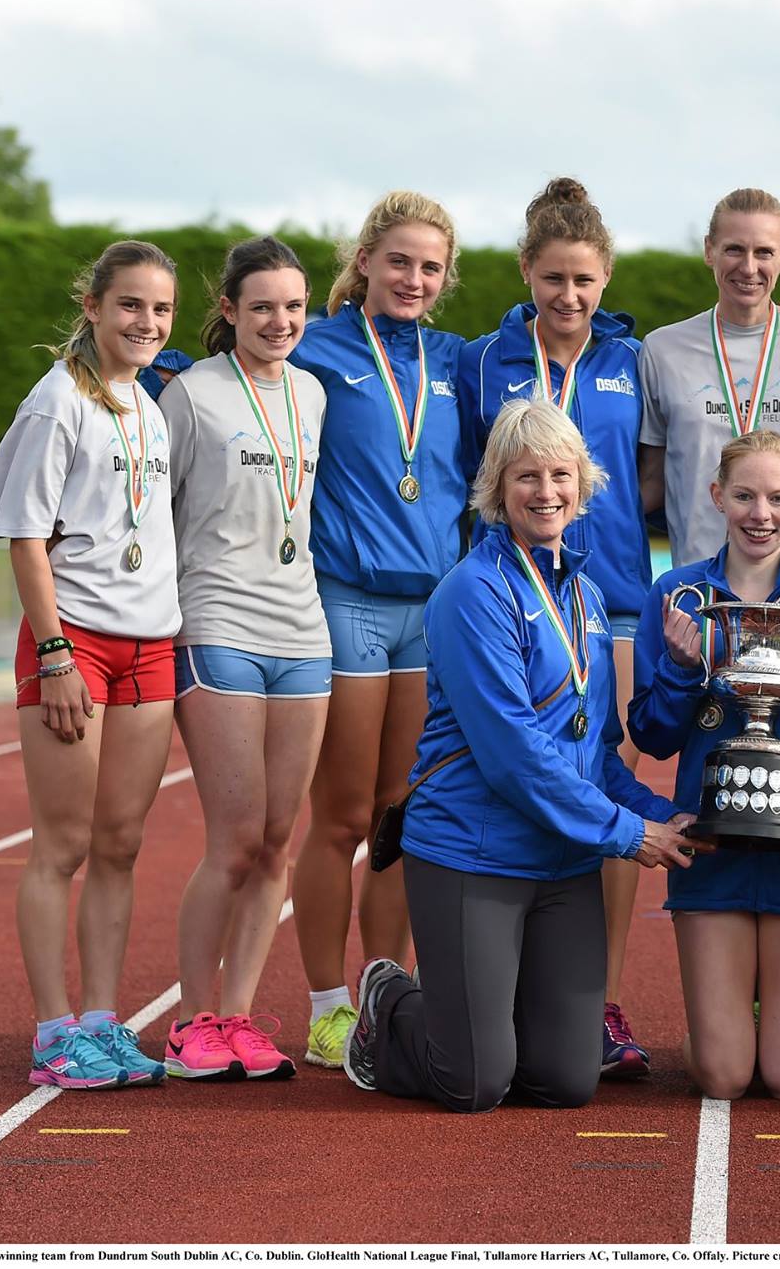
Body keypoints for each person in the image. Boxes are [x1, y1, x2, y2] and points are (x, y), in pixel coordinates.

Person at [342, 399, 698, 1113]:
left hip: (563, 862)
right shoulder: (471, 592)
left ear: (583, 483)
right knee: (473, 1082)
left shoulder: (588, 597)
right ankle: (390, 1009)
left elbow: (592, 753)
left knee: (566, 1081)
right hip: (475, 851)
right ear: (497, 489)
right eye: (526, 475)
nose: (546, 492)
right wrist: (633, 835)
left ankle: (479, 1015)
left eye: (560, 475)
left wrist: (673, 817)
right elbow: (514, 755)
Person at [459, 178, 657, 1078]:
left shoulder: (634, 361)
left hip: (606, 595)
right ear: (527, 275)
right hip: (512, 597)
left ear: (606, 276)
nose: (568, 298)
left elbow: (649, 476)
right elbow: (471, 470)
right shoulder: (484, 359)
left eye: (583, 281)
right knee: (502, 768)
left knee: (598, 778)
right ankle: (473, 974)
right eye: (552, 280)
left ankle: (600, 997)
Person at [0, 240, 183, 1089]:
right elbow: (25, 539)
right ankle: (52, 1032)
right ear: (94, 305)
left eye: (161, 310)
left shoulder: (149, 404)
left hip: (151, 643)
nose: (146, 322)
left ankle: (103, 1024)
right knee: (61, 845)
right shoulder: (55, 402)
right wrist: (59, 655)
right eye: (131, 305)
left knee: (121, 843)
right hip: (76, 644)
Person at [629, 430, 780, 1099]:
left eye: (774, 497)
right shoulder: (677, 595)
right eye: (743, 496)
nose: (759, 513)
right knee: (724, 1076)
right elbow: (651, 734)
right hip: (714, 851)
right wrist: (681, 668)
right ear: (716, 498)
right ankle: (721, 1033)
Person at [288, 192, 469, 1069]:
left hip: (432, 612)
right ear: (364, 260)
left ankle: (382, 993)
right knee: (343, 813)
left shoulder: (455, 361)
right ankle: (326, 1004)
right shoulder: (315, 347)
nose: (414, 279)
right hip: (348, 601)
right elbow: (232, 358)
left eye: (430, 267)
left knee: (404, 814)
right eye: (399, 261)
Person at [157, 236, 329, 1081]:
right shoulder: (192, 396)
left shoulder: (312, 393)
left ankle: (239, 1014)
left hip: (304, 632)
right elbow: (157, 511)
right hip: (219, 624)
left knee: (276, 843)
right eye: (262, 306)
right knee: (232, 839)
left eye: (294, 306)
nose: (280, 321)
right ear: (228, 311)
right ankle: (191, 1020)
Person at [639, 188, 780, 568]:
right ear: (709, 250)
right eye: (733, 249)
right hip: (701, 581)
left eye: (764, 252)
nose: (748, 267)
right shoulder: (662, 350)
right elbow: (652, 482)